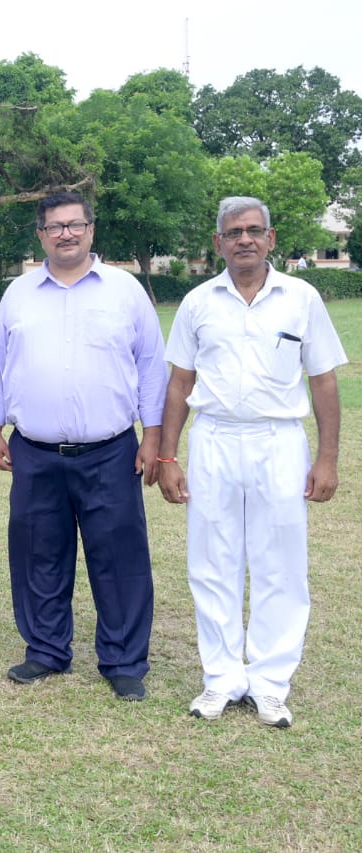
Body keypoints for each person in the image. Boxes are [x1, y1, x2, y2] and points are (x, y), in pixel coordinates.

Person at [156, 197, 346, 728]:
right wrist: (169, 455)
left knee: (280, 564)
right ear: (217, 243)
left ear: (271, 238)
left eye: (254, 230)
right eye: (234, 232)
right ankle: (220, 679)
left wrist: (327, 458)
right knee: (212, 561)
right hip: (214, 437)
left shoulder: (301, 299)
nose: (244, 239)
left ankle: (269, 684)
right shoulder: (198, 302)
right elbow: (179, 383)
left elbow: (324, 380)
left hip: (279, 440)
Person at [0, 191, 166, 702]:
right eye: (55, 226)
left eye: (76, 224)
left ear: (91, 230)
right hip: (35, 451)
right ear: (40, 235)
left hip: (111, 451)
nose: (66, 233)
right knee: (39, 553)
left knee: (119, 556)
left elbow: (152, 367)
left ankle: (124, 660)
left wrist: (154, 436)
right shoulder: (18, 293)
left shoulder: (125, 291)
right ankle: (45, 649)